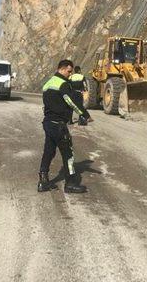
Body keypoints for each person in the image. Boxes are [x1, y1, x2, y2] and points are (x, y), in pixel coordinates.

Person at [38, 59, 93, 194]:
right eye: (69, 71)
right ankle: (71, 183)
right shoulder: (62, 84)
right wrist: (84, 114)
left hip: (48, 123)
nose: (70, 74)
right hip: (58, 125)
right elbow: (70, 101)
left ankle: (43, 181)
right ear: (62, 69)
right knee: (68, 154)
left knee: (49, 152)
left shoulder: (48, 84)